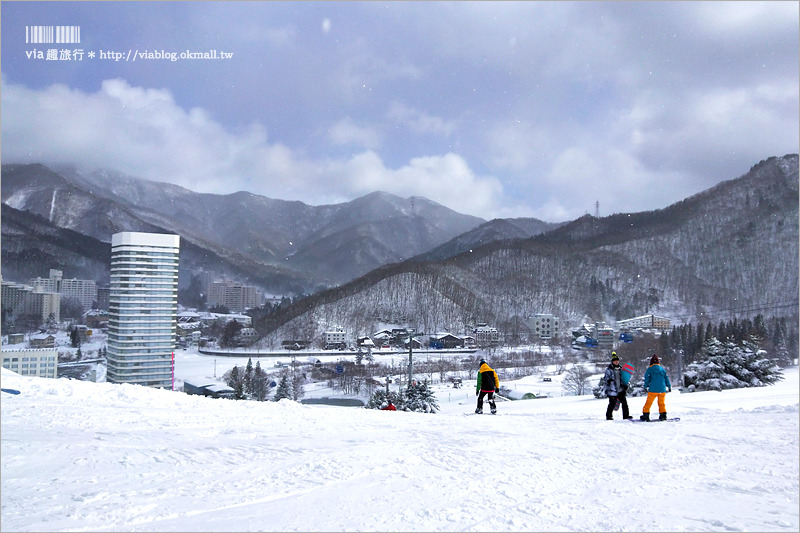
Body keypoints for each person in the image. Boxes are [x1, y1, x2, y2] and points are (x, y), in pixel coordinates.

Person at [641, 354, 672, 421]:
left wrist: (645, 387)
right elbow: (666, 378)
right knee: (661, 403)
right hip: (662, 390)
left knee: (648, 403)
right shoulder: (662, 370)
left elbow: (647, 379)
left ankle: (646, 415)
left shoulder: (649, 369)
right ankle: (663, 415)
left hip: (653, 389)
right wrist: (669, 386)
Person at [603, 352, 632, 420]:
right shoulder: (609, 369)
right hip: (612, 389)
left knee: (624, 403)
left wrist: (625, 385)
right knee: (612, 404)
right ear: (612, 361)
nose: (616, 362)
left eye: (617, 361)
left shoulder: (621, 368)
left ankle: (626, 415)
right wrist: (608, 381)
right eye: (615, 361)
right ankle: (609, 416)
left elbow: (624, 378)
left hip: (620, 389)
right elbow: (606, 378)